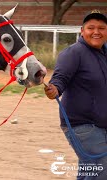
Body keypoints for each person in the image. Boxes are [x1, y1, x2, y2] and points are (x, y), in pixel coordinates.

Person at [44, 10, 107, 179]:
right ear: (82, 30)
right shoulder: (73, 53)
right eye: (91, 28)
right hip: (82, 126)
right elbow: (60, 79)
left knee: (89, 171)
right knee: (103, 170)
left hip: (101, 125)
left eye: (101, 28)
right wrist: (55, 89)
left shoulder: (105, 53)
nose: (96, 32)